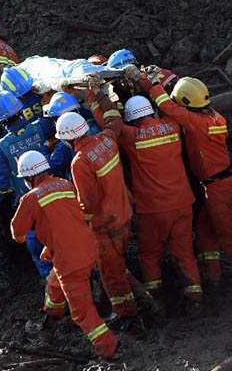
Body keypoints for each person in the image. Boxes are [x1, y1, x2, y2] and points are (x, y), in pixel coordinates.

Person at [89, 76, 203, 308]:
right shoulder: (172, 127)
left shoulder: (133, 137)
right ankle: (196, 299)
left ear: (131, 117)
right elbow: (170, 108)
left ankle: (156, 300)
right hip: (183, 203)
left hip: (153, 210)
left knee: (150, 255)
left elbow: (108, 123)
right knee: (185, 253)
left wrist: (94, 95)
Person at [132, 70, 231, 294]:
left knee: (227, 236)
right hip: (212, 184)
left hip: (217, 188)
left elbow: (169, 109)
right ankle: (213, 281)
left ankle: (213, 283)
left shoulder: (197, 122)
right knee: (205, 232)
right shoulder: (214, 116)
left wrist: (149, 84)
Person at [10, 150, 118, 359]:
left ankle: (109, 347)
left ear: (30, 178)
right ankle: (52, 313)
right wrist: (50, 246)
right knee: (55, 280)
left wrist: (29, 238)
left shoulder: (30, 198)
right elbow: (69, 218)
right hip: (88, 246)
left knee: (81, 312)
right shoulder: (64, 184)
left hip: (70, 260)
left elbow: (17, 232)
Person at [54, 112, 140, 325]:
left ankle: (128, 315)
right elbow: (114, 124)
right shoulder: (105, 140)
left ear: (69, 138)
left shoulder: (80, 162)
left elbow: (89, 203)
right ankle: (144, 303)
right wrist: (99, 97)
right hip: (124, 213)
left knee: (112, 274)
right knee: (118, 265)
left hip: (106, 225)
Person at [0, 91, 54, 281]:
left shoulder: (2, 145)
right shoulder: (40, 127)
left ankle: (55, 294)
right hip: (54, 194)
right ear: (21, 110)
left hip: (29, 204)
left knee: (40, 253)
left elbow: (2, 181)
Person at [41, 91, 101, 180]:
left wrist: (45, 147)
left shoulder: (65, 143)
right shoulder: (94, 122)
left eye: (55, 118)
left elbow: (51, 167)